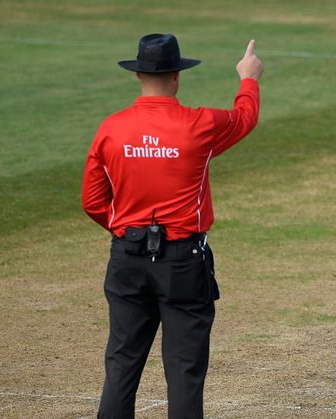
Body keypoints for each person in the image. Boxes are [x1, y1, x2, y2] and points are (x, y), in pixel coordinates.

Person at [81, 33, 263, 418]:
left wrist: (125, 230)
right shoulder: (199, 124)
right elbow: (245, 118)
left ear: (137, 75)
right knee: (184, 371)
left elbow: (93, 202)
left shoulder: (111, 128)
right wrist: (248, 77)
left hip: (126, 258)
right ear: (177, 76)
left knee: (122, 365)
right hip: (182, 262)